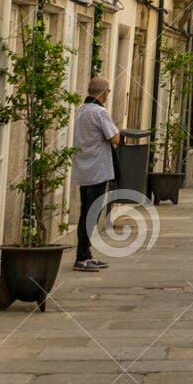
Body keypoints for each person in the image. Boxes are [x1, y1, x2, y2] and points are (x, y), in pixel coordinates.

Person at [72, 79, 120, 274]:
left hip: (83, 168)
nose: (108, 95)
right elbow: (114, 138)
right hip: (98, 169)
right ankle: (82, 257)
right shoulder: (100, 112)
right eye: (108, 92)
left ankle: (86, 255)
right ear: (104, 93)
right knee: (91, 215)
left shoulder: (81, 110)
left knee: (86, 211)